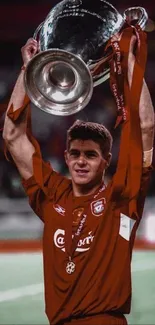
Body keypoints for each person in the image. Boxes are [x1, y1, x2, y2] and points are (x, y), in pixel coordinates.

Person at [2, 31, 154, 325]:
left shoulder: (121, 199)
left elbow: (145, 126)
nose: (81, 161)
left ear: (106, 161)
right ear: (67, 157)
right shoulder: (52, 194)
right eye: (75, 154)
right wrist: (28, 70)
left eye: (91, 155)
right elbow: (13, 136)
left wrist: (130, 60)